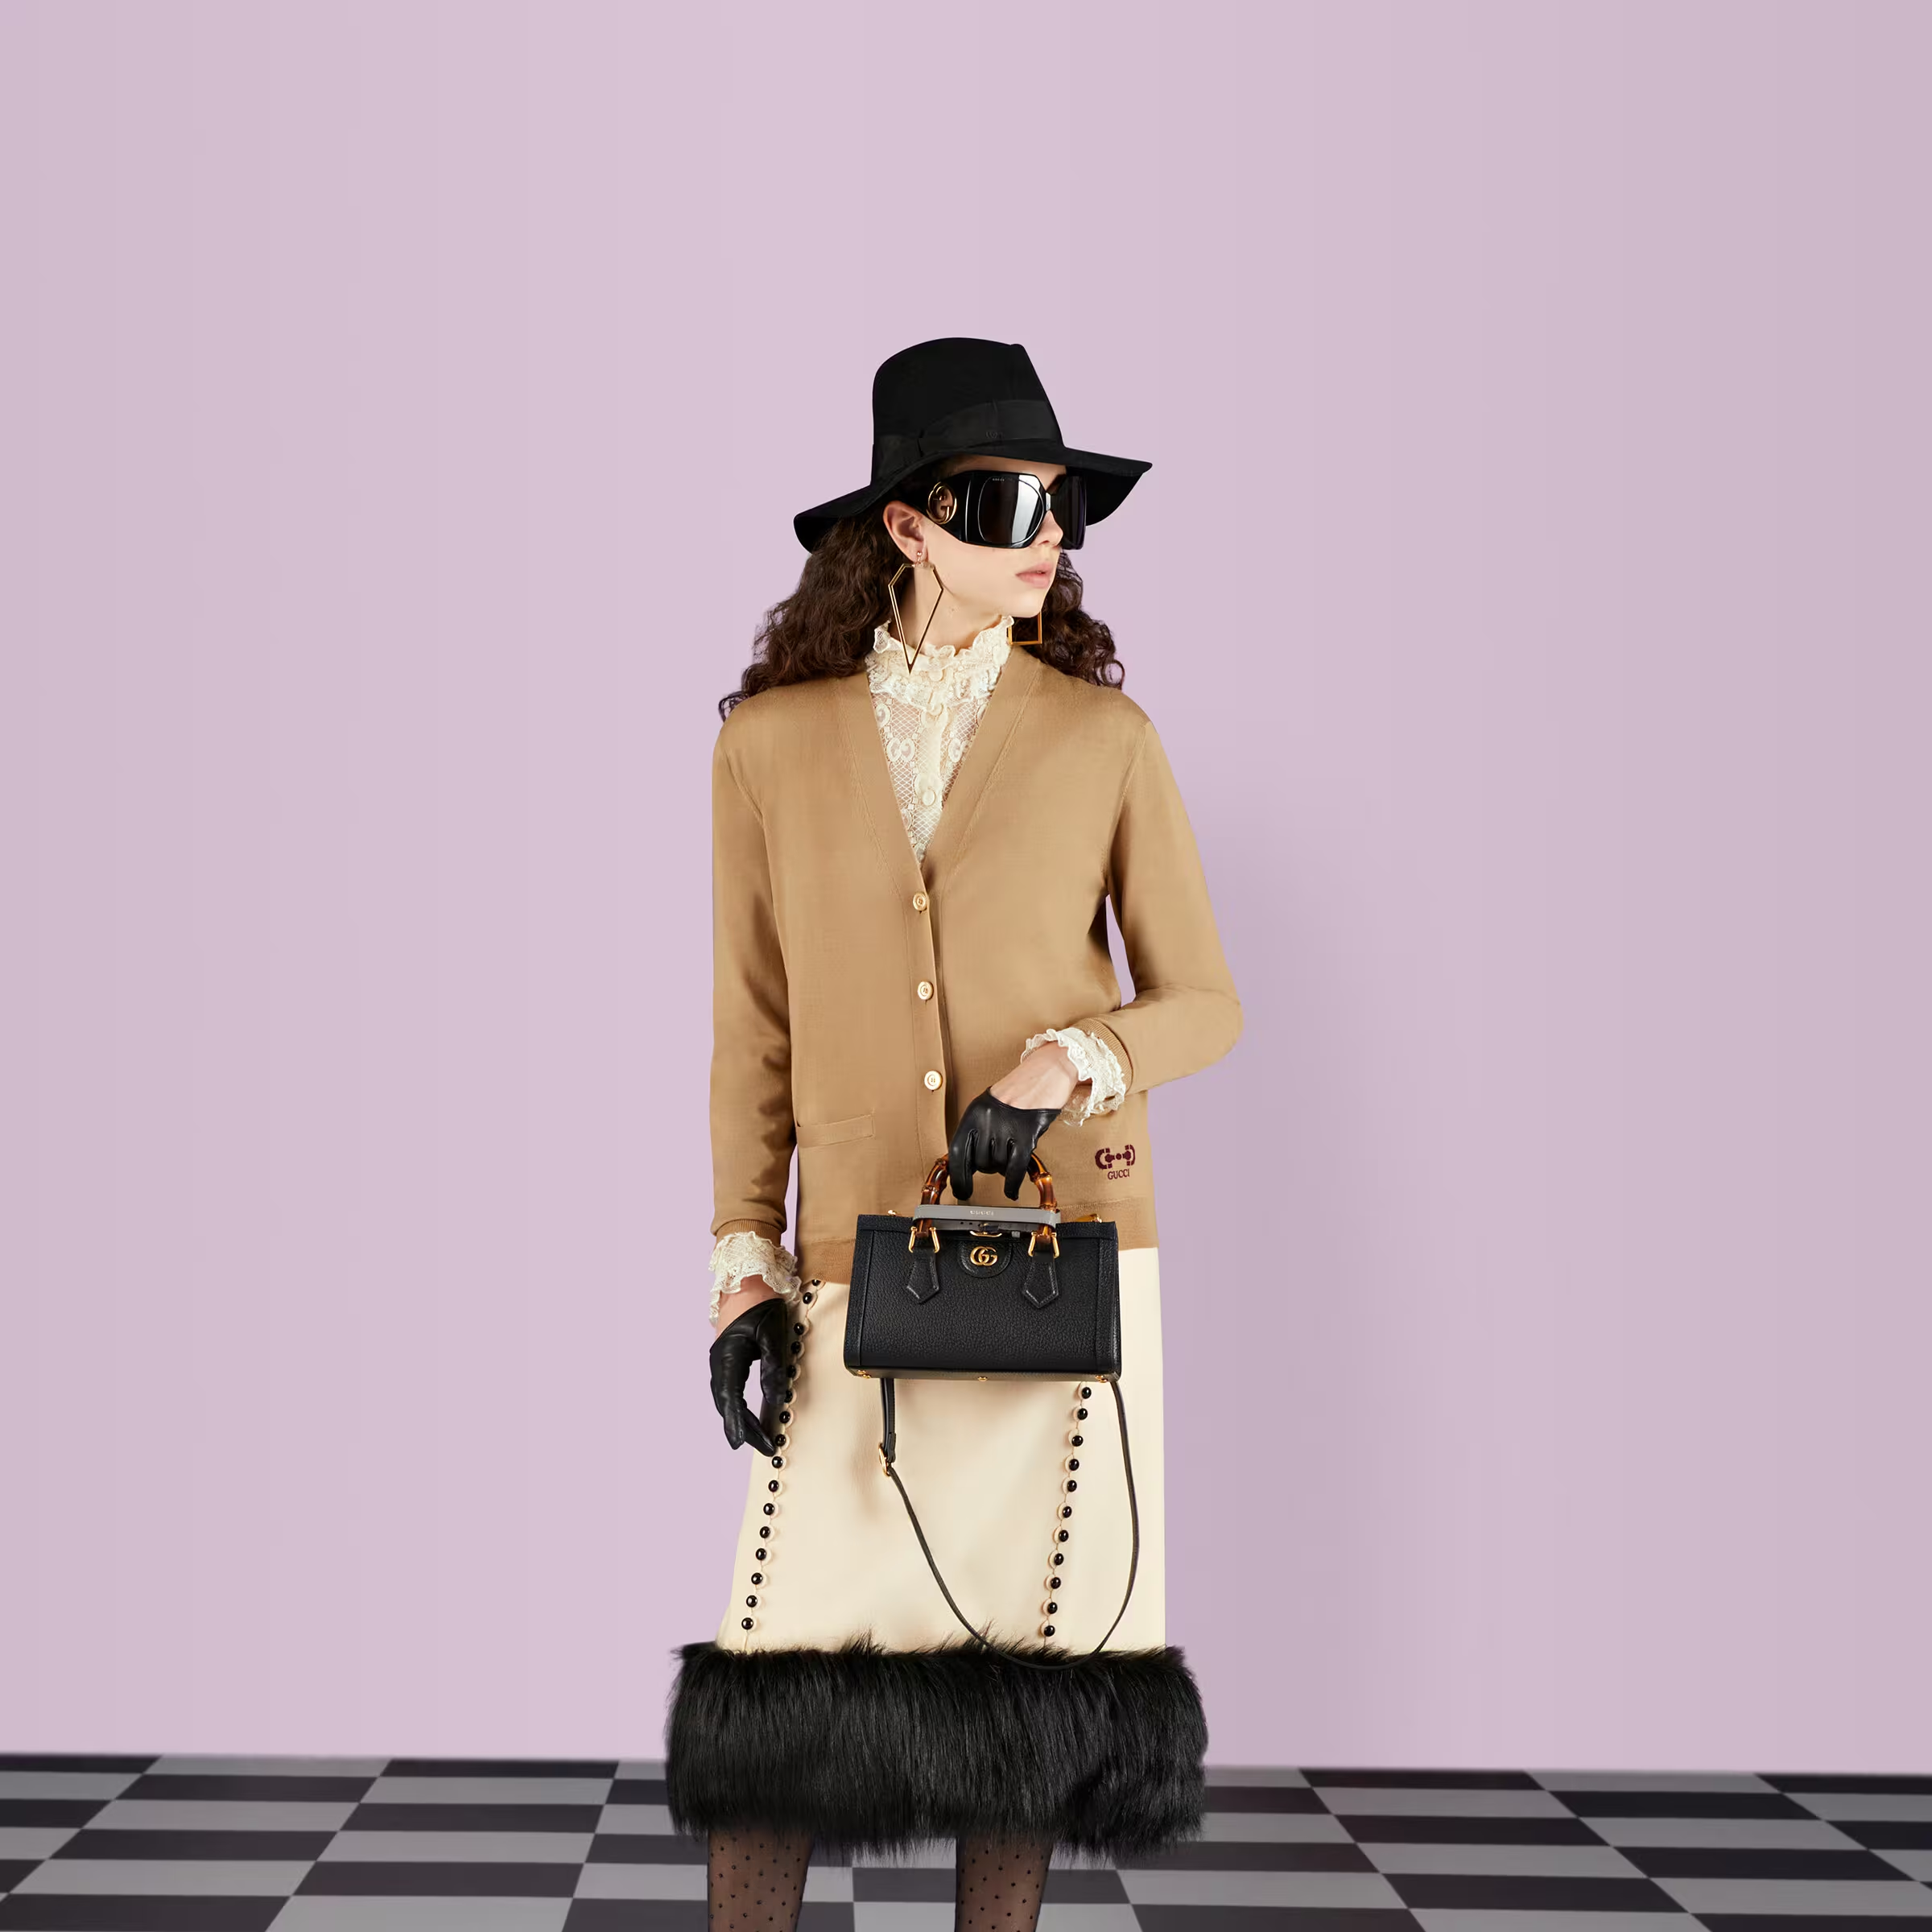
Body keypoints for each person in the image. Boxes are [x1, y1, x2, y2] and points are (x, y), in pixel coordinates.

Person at [664, 337, 1242, 1932]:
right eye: (1005, 504)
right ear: (910, 526)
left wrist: (1070, 1061)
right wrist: (741, 1261)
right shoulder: (767, 748)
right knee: (778, 1687)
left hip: (1067, 1255)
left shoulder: (1105, 740)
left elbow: (1205, 1003)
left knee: (1022, 1684)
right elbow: (753, 1033)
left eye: (1066, 505)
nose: (1048, 535)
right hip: (854, 1255)